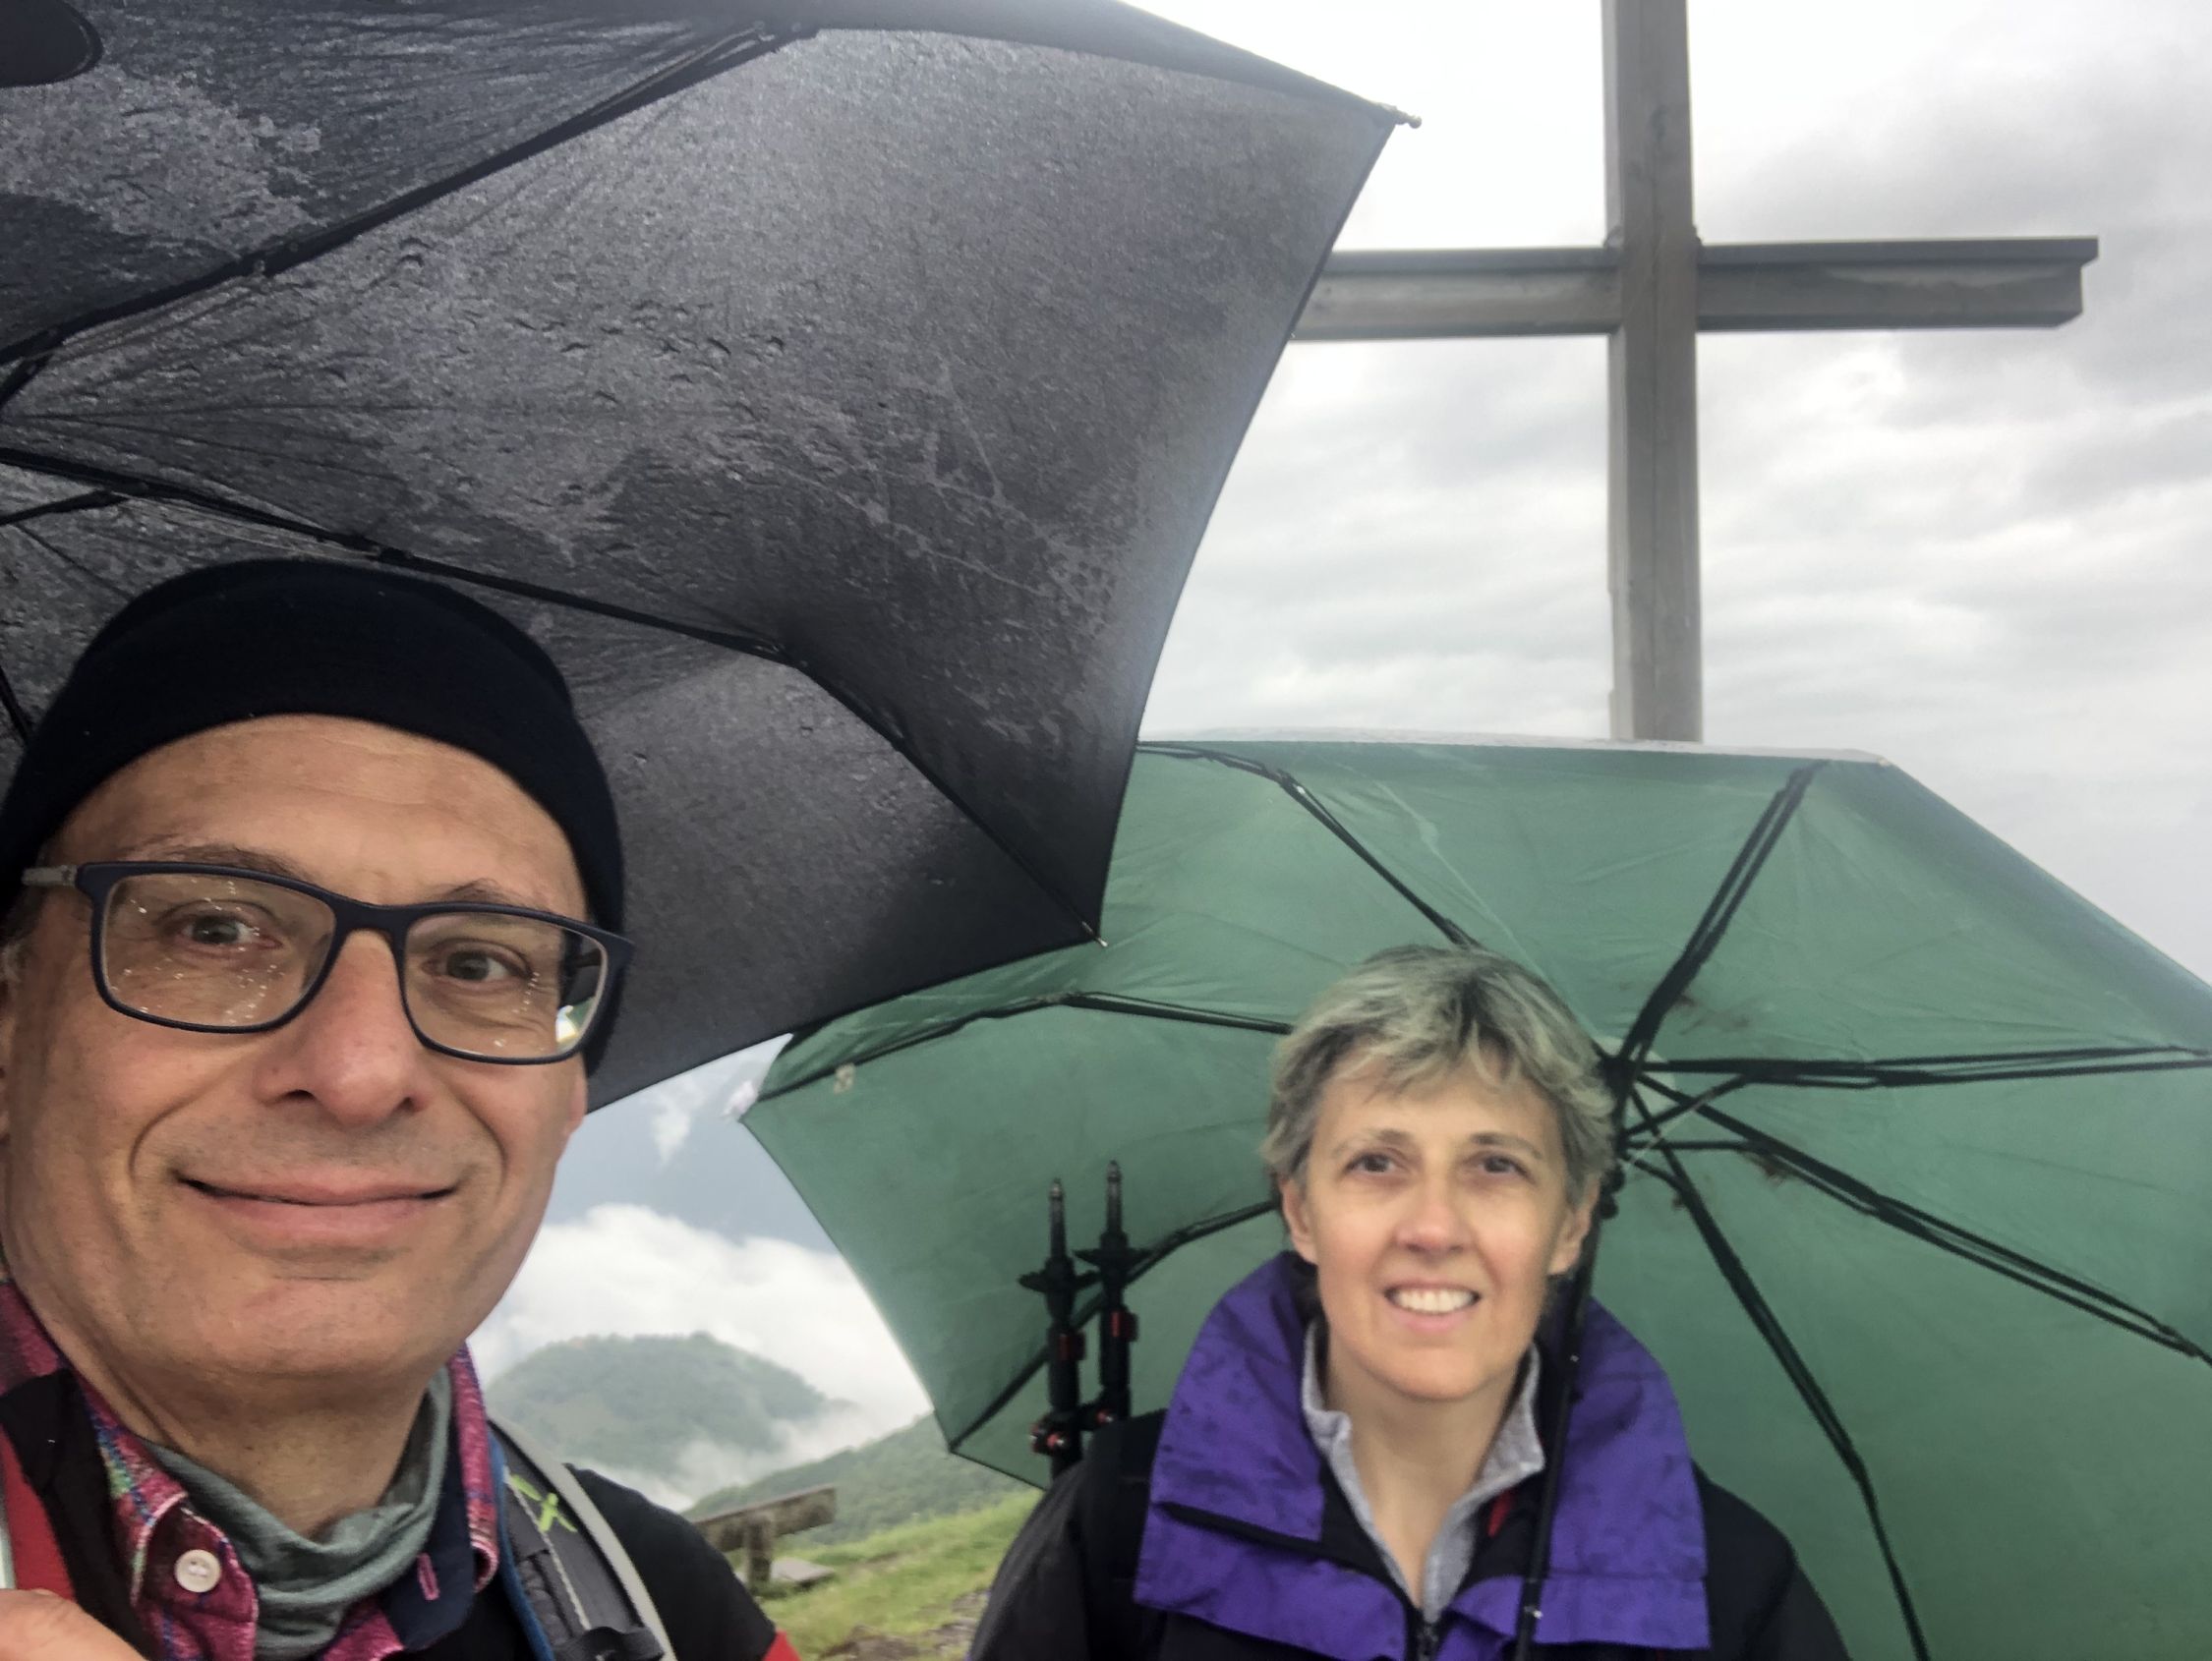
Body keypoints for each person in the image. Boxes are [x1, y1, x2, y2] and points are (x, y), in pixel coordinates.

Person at [0, 560, 796, 1660]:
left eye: (479, 962)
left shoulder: (664, 1607)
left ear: (567, 1093)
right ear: (12, 1019)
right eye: (216, 930)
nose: (362, 1070)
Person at [971, 945, 1848, 1660]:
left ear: (1572, 1224)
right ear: (1300, 1211)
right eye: (1377, 1163)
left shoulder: (1730, 1588)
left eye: (1496, 1165)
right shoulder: (1122, 1530)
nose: (1433, 1226)